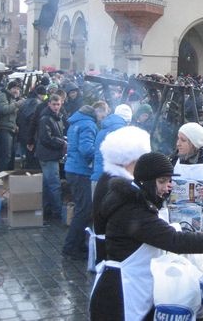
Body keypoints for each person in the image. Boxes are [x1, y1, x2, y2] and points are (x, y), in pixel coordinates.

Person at [89, 152, 203, 321]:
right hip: (119, 293)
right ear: (146, 181)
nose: (168, 186)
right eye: (162, 181)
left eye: (169, 180)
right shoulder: (133, 211)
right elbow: (175, 241)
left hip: (136, 287)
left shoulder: (139, 200)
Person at [92, 126, 151, 266]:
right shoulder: (119, 186)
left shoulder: (107, 177)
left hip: (109, 251)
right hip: (116, 258)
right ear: (131, 161)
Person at [63, 105, 100, 259]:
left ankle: (78, 244)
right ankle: (71, 247)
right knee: (83, 210)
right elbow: (86, 149)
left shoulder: (76, 123)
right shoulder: (88, 125)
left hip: (73, 169)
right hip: (81, 171)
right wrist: (99, 153)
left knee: (82, 208)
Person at [35, 94, 67, 221]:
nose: (56, 107)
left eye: (58, 104)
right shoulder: (46, 118)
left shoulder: (57, 117)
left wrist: (62, 139)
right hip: (47, 155)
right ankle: (57, 212)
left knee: (48, 184)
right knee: (54, 184)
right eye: (53, 104)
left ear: (61, 104)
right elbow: (46, 138)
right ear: (49, 104)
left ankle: (47, 209)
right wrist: (62, 142)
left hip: (49, 154)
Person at [91, 104, 133, 194]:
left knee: (96, 208)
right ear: (128, 120)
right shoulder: (124, 132)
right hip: (113, 182)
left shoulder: (102, 130)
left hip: (97, 177)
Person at [0, 80, 23, 172]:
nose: (16, 91)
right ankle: (1, 176)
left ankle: (9, 177)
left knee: (12, 155)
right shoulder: (3, 95)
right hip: (4, 128)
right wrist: (16, 104)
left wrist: (15, 125)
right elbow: (3, 109)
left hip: (12, 129)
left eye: (18, 89)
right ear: (9, 88)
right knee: (6, 155)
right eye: (14, 88)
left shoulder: (13, 98)